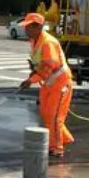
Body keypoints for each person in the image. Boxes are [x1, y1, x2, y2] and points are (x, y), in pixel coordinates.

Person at [18, 12, 75, 158]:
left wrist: (31, 80)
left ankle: (57, 148)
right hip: (49, 83)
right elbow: (40, 64)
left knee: (54, 117)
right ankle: (64, 138)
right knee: (46, 114)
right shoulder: (35, 40)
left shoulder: (48, 43)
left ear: (37, 27)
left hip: (60, 83)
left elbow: (49, 67)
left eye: (28, 27)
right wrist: (33, 71)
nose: (25, 30)